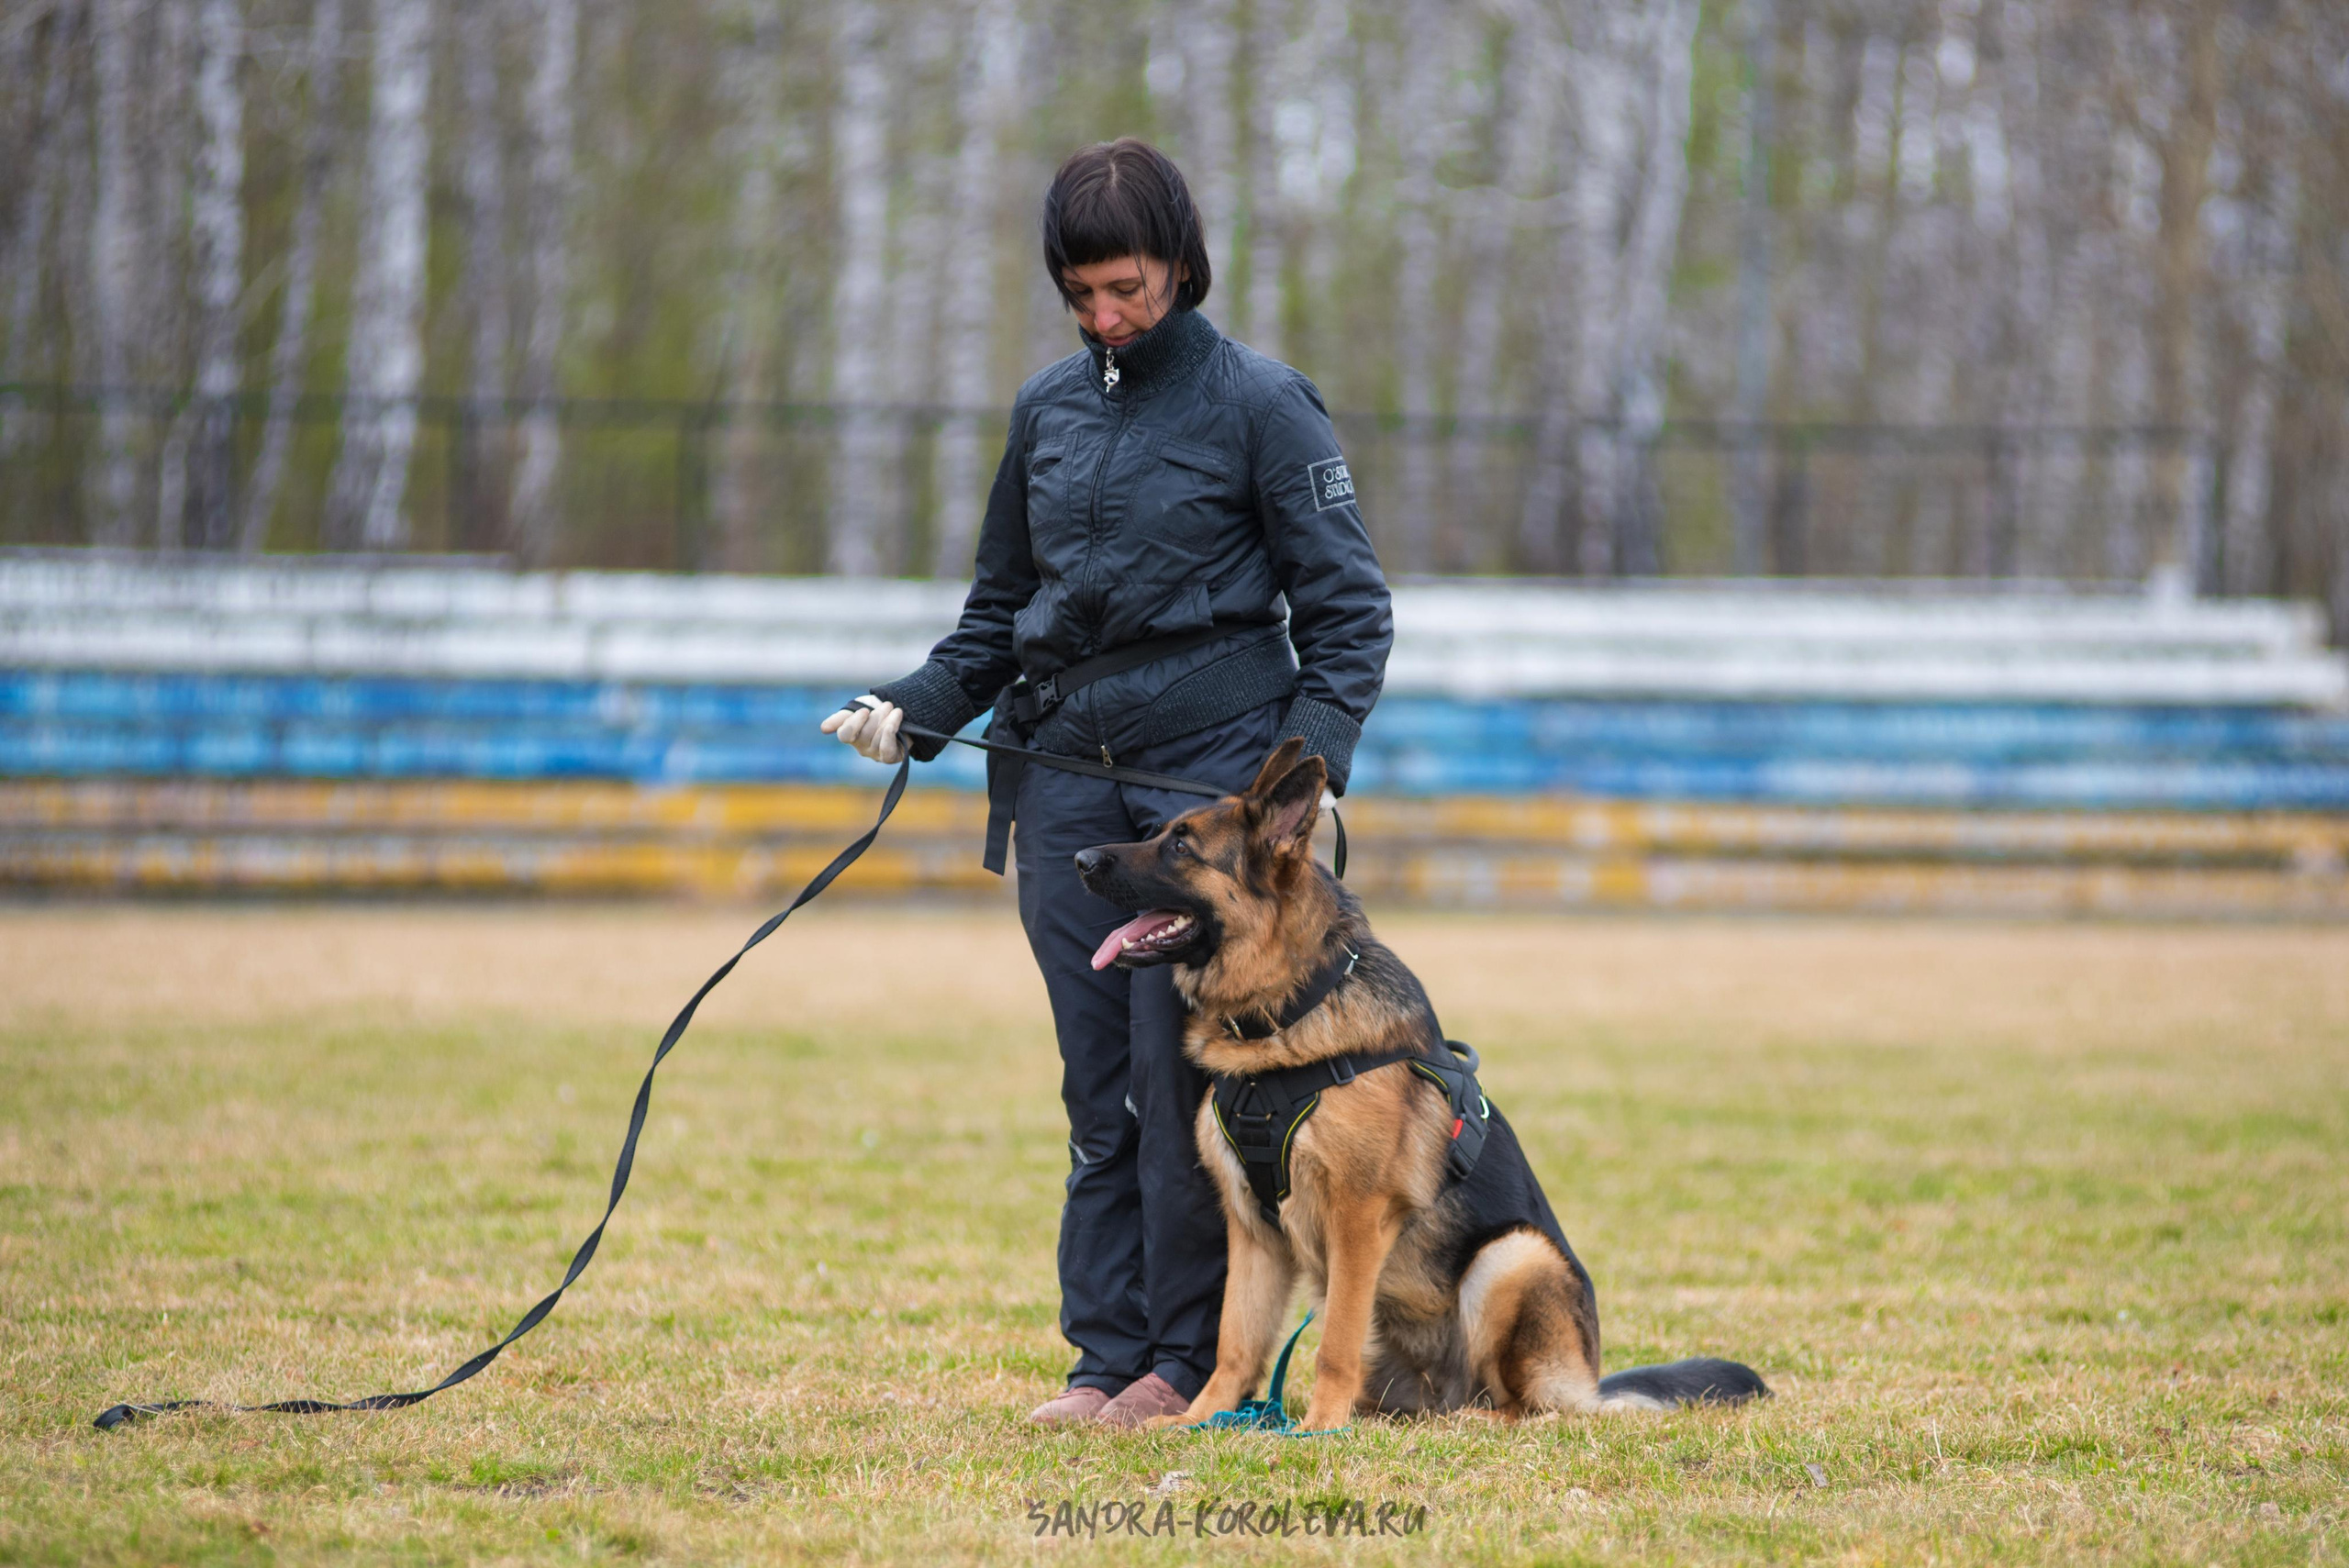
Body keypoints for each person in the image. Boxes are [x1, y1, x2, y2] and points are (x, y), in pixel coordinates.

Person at [821, 138, 1391, 1428]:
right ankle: (1103, 1356)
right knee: (1100, 1091)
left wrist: (1306, 790)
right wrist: (909, 709)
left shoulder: (1265, 404)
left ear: (1181, 263)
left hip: (1208, 795)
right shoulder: (1048, 412)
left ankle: (1186, 1368)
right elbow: (995, 615)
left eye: (1126, 286)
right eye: (1080, 294)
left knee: (1182, 1083)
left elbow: (1350, 610)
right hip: (1064, 786)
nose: (1104, 315)